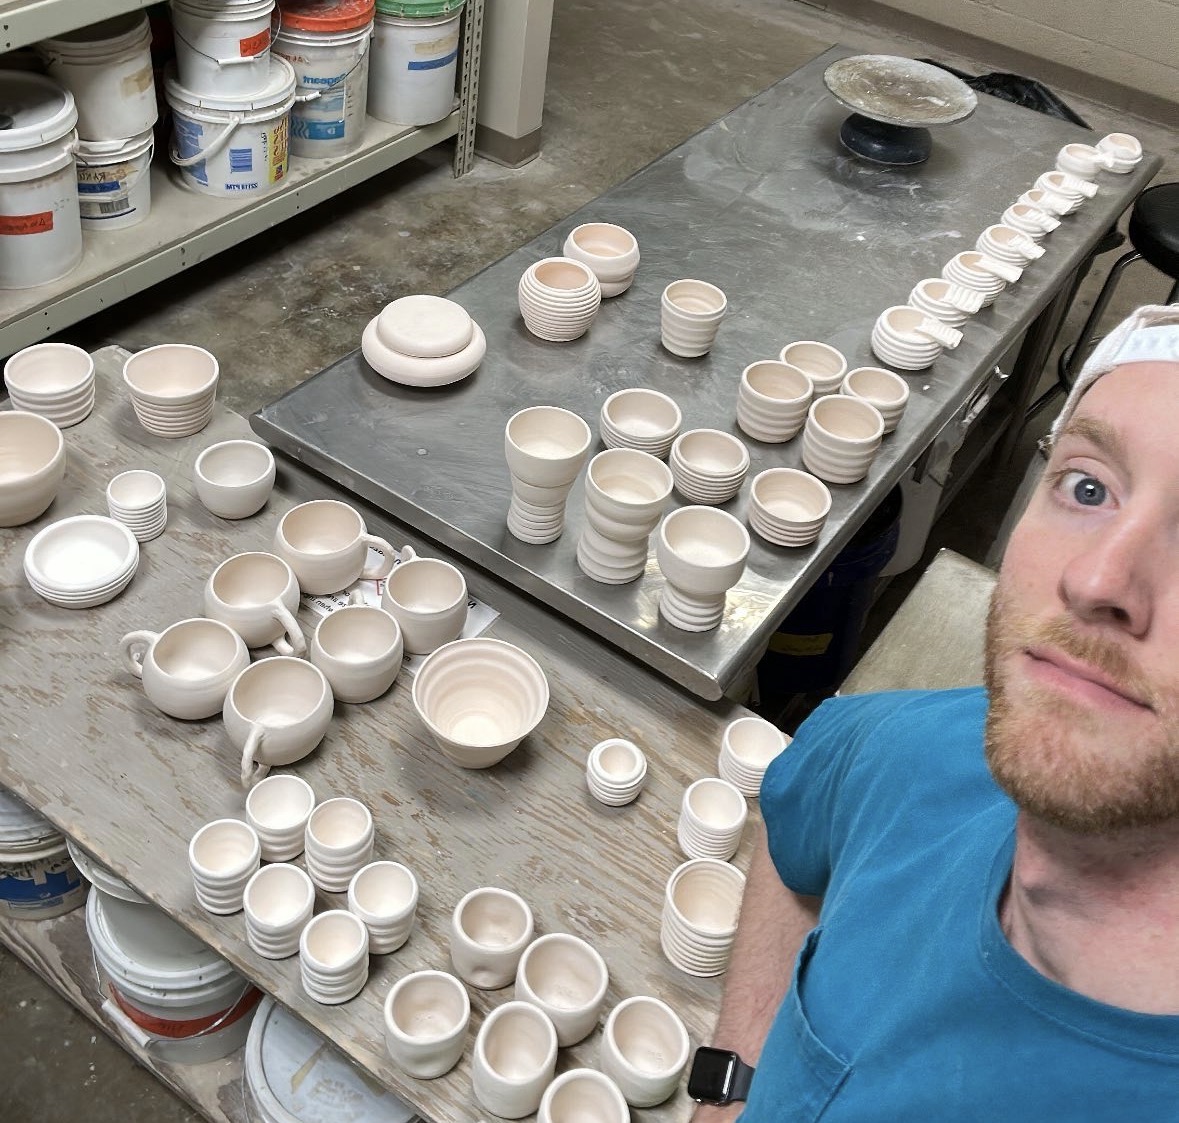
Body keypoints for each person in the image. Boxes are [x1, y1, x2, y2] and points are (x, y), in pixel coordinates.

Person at [692, 304, 1179, 1121]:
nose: (1096, 581)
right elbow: (796, 824)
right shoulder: (911, 751)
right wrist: (734, 1079)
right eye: (1086, 486)